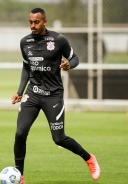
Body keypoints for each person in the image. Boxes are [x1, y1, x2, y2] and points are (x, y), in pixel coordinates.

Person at [11, 8, 101, 183]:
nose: (33, 25)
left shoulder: (58, 40)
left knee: (59, 138)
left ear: (44, 21)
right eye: (30, 22)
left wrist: (69, 65)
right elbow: (26, 68)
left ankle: (89, 158)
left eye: (36, 22)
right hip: (33, 93)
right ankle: (19, 175)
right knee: (20, 133)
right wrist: (19, 92)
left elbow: (75, 58)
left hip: (53, 95)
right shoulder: (25, 42)